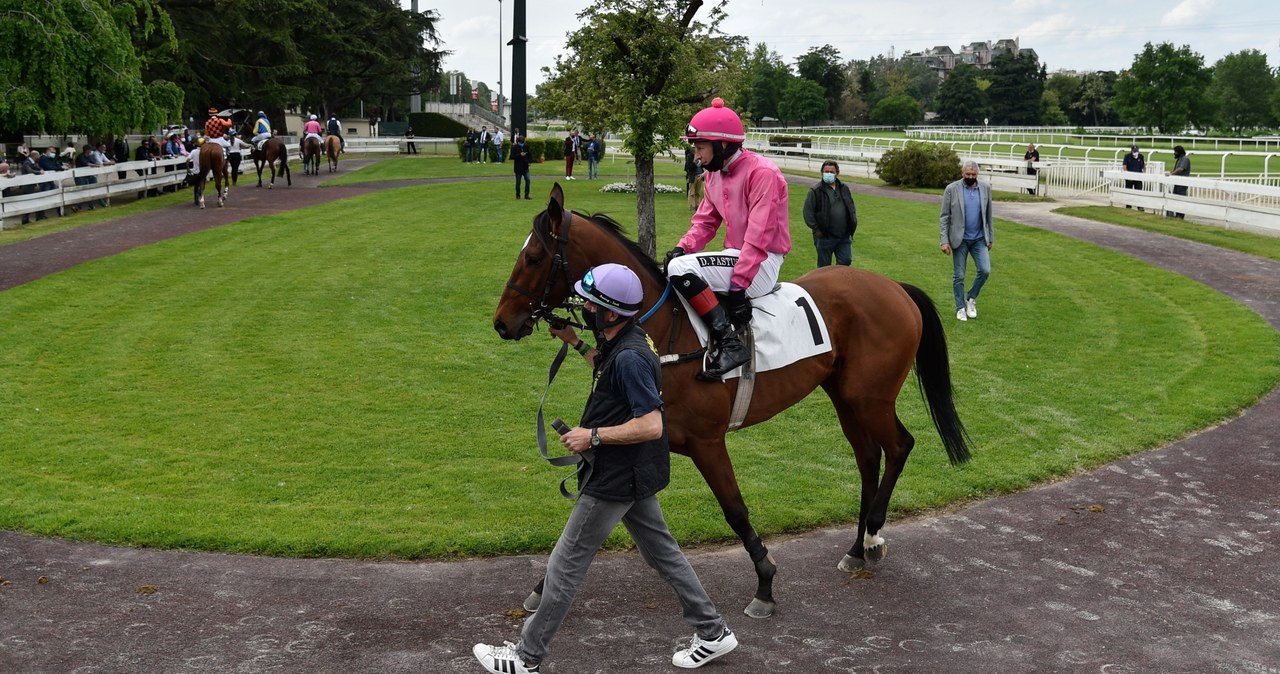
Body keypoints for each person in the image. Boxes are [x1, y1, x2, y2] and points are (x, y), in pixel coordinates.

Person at [472, 264, 738, 674]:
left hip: (615, 477)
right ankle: (714, 632)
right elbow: (608, 372)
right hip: (635, 472)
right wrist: (576, 342)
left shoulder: (631, 356)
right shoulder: (626, 340)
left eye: (591, 304)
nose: (584, 307)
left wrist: (590, 436)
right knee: (663, 554)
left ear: (611, 313)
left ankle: (526, 658)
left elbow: (651, 424)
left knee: (565, 564)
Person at [663, 97, 790, 380]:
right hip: (737, 258)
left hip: (761, 264)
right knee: (677, 263)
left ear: (722, 145)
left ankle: (731, 345)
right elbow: (705, 222)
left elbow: (758, 238)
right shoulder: (714, 175)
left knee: (681, 270)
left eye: (700, 147)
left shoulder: (763, 174)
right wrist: (682, 247)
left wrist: (738, 288)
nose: (696, 156)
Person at [939, 160, 993, 322]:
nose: (970, 177)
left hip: (979, 239)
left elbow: (989, 215)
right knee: (959, 275)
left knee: (985, 270)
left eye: (973, 175)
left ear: (977, 174)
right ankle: (960, 307)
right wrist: (944, 241)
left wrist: (990, 237)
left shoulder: (985, 189)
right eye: (968, 174)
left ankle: (970, 298)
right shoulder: (951, 189)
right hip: (959, 239)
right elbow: (944, 217)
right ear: (963, 174)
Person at [802, 160, 858, 267]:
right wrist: (817, 228)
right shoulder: (815, 191)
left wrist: (852, 222)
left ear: (837, 173)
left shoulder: (844, 188)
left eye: (831, 172)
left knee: (845, 261)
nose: (828, 174)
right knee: (824, 267)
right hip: (825, 236)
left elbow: (851, 207)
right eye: (826, 171)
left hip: (844, 236)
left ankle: (839, 283)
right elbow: (808, 213)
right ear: (822, 172)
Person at [1165, 145, 1190, 219]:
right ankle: (1177, 215)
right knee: (1175, 198)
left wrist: (1172, 174)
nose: (1174, 153)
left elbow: (1181, 169)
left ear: (1179, 152)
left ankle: (1180, 215)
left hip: (1182, 183)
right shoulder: (1179, 159)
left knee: (1180, 199)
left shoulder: (1185, 159)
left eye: (1175, 152)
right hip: (1177, 183)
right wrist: (1171, 173)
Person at [1122, 144, 1146, 211]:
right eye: (1134, 150)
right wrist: (1127, 175)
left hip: (1138, 177)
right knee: (1129, 192)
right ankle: (1128, 206)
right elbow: (1124, 166)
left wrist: (1144, 172)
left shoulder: (1141, 156)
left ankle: (1139, 206)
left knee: (1139, 192)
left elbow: (1143, 165)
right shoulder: (1127, 156)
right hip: (1129, 177)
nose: (1135, 152)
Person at [683, 145, 704, 212]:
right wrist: (694, 161)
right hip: (693, 176)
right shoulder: (690, 156)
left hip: (699, 175)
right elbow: (689, 167)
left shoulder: (700, 156)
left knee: (698, 192)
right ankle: (691, 206)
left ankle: (698, 206)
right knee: (692, 192)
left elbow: (702, 165)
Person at [512, 134, 531, 200]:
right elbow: (512, 156)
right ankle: (518, 195)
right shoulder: (515, 147)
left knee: (528, 180)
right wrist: (520, 154)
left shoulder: (526, 146)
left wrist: (529, 162)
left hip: (525, 166)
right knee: (518, 182)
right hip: (518, 167)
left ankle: (526, 195)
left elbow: (529, 155)